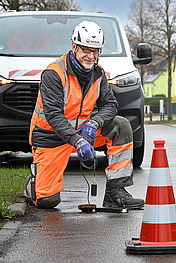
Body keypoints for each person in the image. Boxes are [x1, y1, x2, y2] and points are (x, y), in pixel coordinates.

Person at [27, 21, 144, 209]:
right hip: (51, 138)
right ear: (74, 46)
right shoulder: (54, 73)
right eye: (86, 50)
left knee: (120, 125)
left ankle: (116, 192)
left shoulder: (98, 73)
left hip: (83, 133)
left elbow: (110, 104)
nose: (91, 56)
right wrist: (77, 141)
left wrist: (95, 123)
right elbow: (54, 115)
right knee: (47, 201)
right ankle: (34, 182)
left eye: (96, 51)